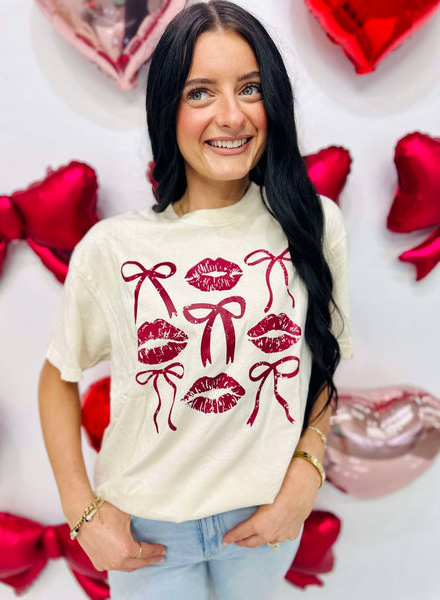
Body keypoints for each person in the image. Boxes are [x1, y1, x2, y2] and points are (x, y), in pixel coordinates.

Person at [38, 2, 353, 599]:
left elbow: (322, 363)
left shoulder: (313, 224)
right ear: (168, 107)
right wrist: (81, 513)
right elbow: (58, 376)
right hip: (144, 533)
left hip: (265, 521)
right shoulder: (114, 248)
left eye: (250, 88)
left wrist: (305, 477)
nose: (231, 116)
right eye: (200, 92)